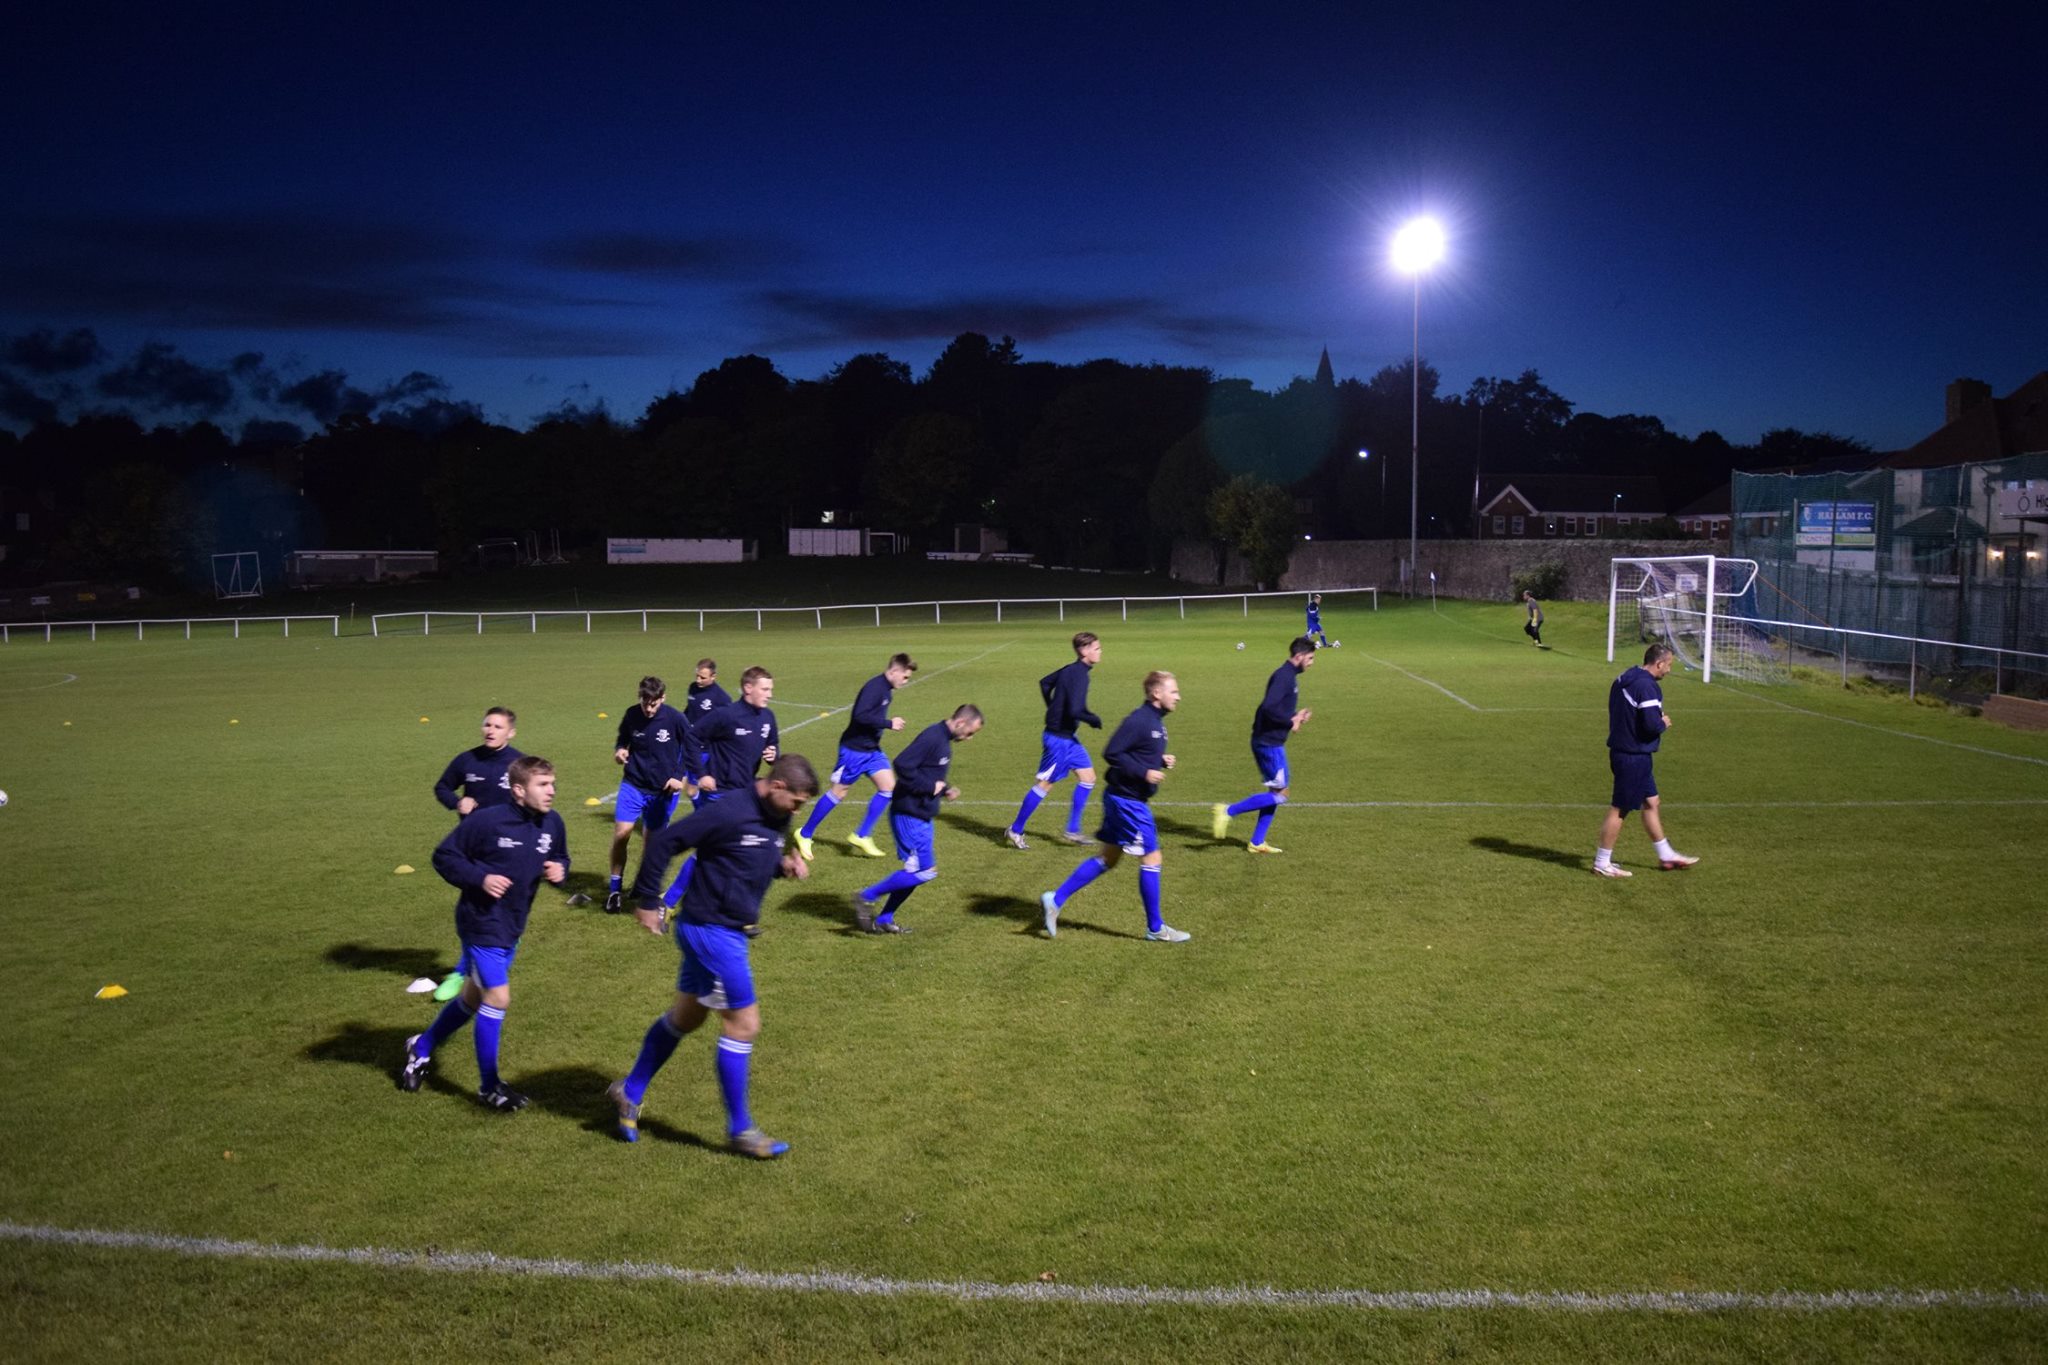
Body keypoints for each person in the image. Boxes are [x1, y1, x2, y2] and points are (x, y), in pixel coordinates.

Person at [607, 753, 820, 1157]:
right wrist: (650, 899)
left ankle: (628, 1091)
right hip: (712, 931)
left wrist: (782, 866)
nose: (797, 811)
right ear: (777, 787)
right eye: (796, 802)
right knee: (744, 1024)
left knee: (686, 1017)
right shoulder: (730, 810)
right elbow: (668, 841)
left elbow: (751, 854)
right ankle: (740, 1130)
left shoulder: (777, 815)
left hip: (719, 930)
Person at [400, 756, 569, 1110]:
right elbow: (444, 856)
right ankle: (490, 1086)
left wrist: (559, 869)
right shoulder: (487, 822)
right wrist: (481, 878)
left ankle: (422, 1047)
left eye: (553, 783)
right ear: (519, 790)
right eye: (543, 785)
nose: (552, 791)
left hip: (512, 925)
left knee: (472, 999)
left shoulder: (553, 823)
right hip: (480, 923)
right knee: (498, 997)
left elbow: (560, 856)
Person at [1039, 671, 1190, 943]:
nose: (1178, 696)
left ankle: (1055, 899)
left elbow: (1136, 751)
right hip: (1128, 802)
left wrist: (1158, 759)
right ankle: (1155, 928)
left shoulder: (1155, 721)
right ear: (1157, 693)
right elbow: (1112, 753)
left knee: (1109, 858)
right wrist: (1145, 773)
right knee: (1152, 858)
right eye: (1174, 691)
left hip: (1121, 798)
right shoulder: (1140, 720)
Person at [852, 704, 984, 933]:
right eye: (971, 733)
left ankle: (884, 919)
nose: (970, 738)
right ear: (961, 722)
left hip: (922, 815)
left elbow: (929, 773)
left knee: (917, 872)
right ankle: (866, 896)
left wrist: (945, 789)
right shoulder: (933, 736)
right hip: (909, 813)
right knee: (924, 871)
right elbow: (902, 764)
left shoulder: (943, 742)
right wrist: (930, 787)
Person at [427, 706, 526, 1001]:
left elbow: (533, 800)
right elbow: (442, 787)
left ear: (511, 732)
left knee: (502, 910)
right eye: (487, 725)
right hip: (472, 849)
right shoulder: (467, 760)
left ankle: (473, 970)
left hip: (506, 850)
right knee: (477, 909)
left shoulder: (518, 764)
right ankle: (467, 971)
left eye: (497, 726)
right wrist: (457, 803)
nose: (490, 731)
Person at [661, 666, 780, 907]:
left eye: (770, 689)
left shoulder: (768, 718)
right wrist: (701, 774)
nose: (769, 694)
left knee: (737, 851)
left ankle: (728, 906)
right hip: (720, 795)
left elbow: (773, 746)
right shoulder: (727, 715)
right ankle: (670, 902)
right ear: (748, 688)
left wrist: (773, 755)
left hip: (747, 796)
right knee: (716, 850)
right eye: (765, 689)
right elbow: (692, 738)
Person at [794, 653, 916, 861]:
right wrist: (889, 723)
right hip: (854, 751)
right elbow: (860, 715)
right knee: (839, 793)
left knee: (889, 789)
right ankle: (804, 834)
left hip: (872, 750)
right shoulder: (874, 688)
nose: (906, 681)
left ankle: (862, 835)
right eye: (905, 677)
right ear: (894, 671)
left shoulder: (886, 690)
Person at [1594, 643, 1699, 878]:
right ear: (1659, 663)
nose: (1669, 670)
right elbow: (1651, 725)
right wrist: (1664, 723)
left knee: (1652, 801)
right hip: (1633, 756)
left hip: (1625, 751)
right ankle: (1602, 862)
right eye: (1669, 665)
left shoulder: (1625, 677)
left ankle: (1666, 854)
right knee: (1620, 809)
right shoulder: (1647, 687)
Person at [1211, 637, 1314, 853]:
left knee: (1275, 792)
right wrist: (1290, 722)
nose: (1312, 662)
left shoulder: (1288, 676)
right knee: (1281, 794)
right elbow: (1267, 708)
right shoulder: (1284, 677)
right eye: (1310, 658)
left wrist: (1295, 716)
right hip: (1269, 744)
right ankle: (1228, 811)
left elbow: (1275, 709)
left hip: (1270, 741)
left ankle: (1257, 842)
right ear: (1299, 656)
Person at [1006, 632, 1103, 849]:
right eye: (1097, 648)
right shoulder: (1079, 675)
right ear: (1084, 651)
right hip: (1058, 740)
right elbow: (1076, 709)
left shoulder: (1070, 669)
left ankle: (1073, 829)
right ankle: (1015, 829)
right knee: (1045, 784)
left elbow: (1044, 683)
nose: (1100, 652)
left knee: (1088, 777)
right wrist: (1093, 719)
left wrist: (1052, 707)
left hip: (1069, 737)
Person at [607, 677, 692, 912]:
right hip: (633, 784)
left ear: (663, 698)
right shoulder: (632, 714)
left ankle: (643, 887)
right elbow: (623, 739)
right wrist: (620, 750)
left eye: (654, 704)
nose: (649, 709)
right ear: (640, 697)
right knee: (622, 833)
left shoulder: (675, 719)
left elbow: (691, 745)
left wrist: (679, 775)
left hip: (662, 792)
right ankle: (614, 890)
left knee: (651, 843)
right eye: (646, 703)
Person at [681, 659, 730, 807]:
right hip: (690, 745)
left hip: (706, 750)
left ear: (713, 677)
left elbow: (728, 724)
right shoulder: (693, 688)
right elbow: (690, 710)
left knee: (701, 789)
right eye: (697, 676)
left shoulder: (722, 698)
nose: (698, 680)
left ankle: (704, 818)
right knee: (690, 790)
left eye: (703, 677)